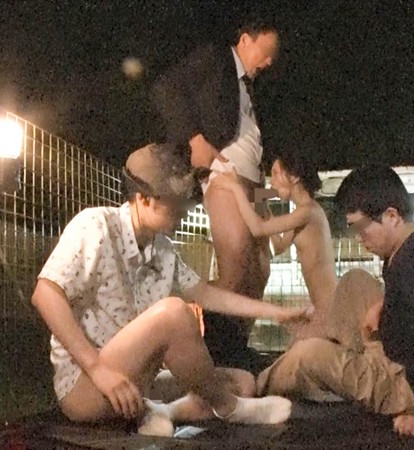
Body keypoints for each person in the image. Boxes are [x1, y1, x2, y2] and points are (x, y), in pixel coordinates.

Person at [31, 143, 305, 436]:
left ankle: (160, 411)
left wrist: (277, 312)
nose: (184, 212)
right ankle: (230, 408)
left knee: (241, 382)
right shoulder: (96, 225)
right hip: (87, 386)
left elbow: (207, 295)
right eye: (176, 204)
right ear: (143, 198)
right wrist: (98, 369)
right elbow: (45, 294)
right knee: (173, 313)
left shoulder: (162, 248)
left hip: (136, 379)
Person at [256, 163, 414, 437]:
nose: (360, 239)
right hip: (396, 351)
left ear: (392, 215)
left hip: (408, 386)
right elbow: (413, 297)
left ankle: (255, 385)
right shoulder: (407, 245)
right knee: (354, 281)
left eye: (362, 228)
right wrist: (382, 306)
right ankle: (343, 361)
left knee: (307, 355)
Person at [153, 21, 281, 374]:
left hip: (256, 180)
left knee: (261, 269)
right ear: (245, 39)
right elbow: (166, 87)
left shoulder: (252, 89)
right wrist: (194, 139)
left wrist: (268, 188)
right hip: (226, 173)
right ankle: (205, 345)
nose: (269, 62)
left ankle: (236, 348)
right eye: (265, 52)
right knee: (235, 254)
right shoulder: (216, 59)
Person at [209, 153, 337, 342]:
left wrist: (235, 188)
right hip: (323, 309)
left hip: (329, 312)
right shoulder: (305, 211)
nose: (273, 182)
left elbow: (257, 229)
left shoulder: (307, 212)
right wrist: (262, 202)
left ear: (294, 176)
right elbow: (278, 246)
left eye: (276, 173)